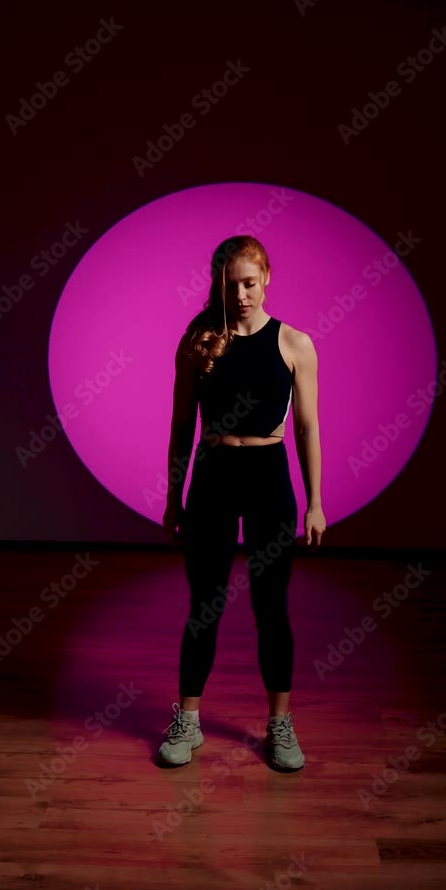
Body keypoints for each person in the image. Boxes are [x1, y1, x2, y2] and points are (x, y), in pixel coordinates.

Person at [159, 235, 326, 771]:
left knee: (270, 607)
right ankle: (188, 721)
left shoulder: (295, 343)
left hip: (267, 477)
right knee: (203, 605)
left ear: (267, 277)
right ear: (219, 284)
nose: (241, 295)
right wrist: (173, 497)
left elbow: (307, 427)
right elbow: (181, 427)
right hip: (212, 477)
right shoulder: (198, 341)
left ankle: (280, 725)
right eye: (231, 285)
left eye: (249, 283)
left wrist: (316, 502)